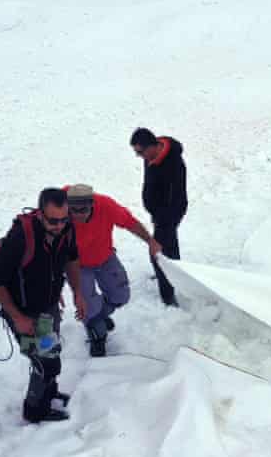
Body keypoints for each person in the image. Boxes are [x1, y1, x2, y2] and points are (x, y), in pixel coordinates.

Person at [0, 187, 87, 423]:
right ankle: (34, 410)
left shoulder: (66, 229)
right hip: (26, 313)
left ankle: (48, 393)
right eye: (53, 221)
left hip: (48, 307)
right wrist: (18, 317)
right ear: (41, 213)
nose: (59, 226)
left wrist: (78, 292)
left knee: (51, 352)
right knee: (46, 361)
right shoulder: (21, 238)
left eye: (64, 220)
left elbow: (72, 259)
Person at [64, 184, 161, 357]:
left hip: (105, 256)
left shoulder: (106, 205)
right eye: (74, 210)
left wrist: (150, 240)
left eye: (83, 210)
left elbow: (130, 223)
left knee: (121, 296)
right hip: (77, 265)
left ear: (92, 205)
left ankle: (98, 316)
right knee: (88, 308)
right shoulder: (59, 211)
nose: (78, 215)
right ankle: (97, 336)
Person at [130, 127, 187, 307]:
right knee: (169, 244)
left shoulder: (174, 164)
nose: (139, 156)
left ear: (151, 146)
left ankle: (168, 295)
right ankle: (176, 272)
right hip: (159, 213)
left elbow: (175, 196)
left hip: (169, 213)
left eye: (140, 151)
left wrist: (162, 218)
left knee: (157, 252)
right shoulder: (152, 156)